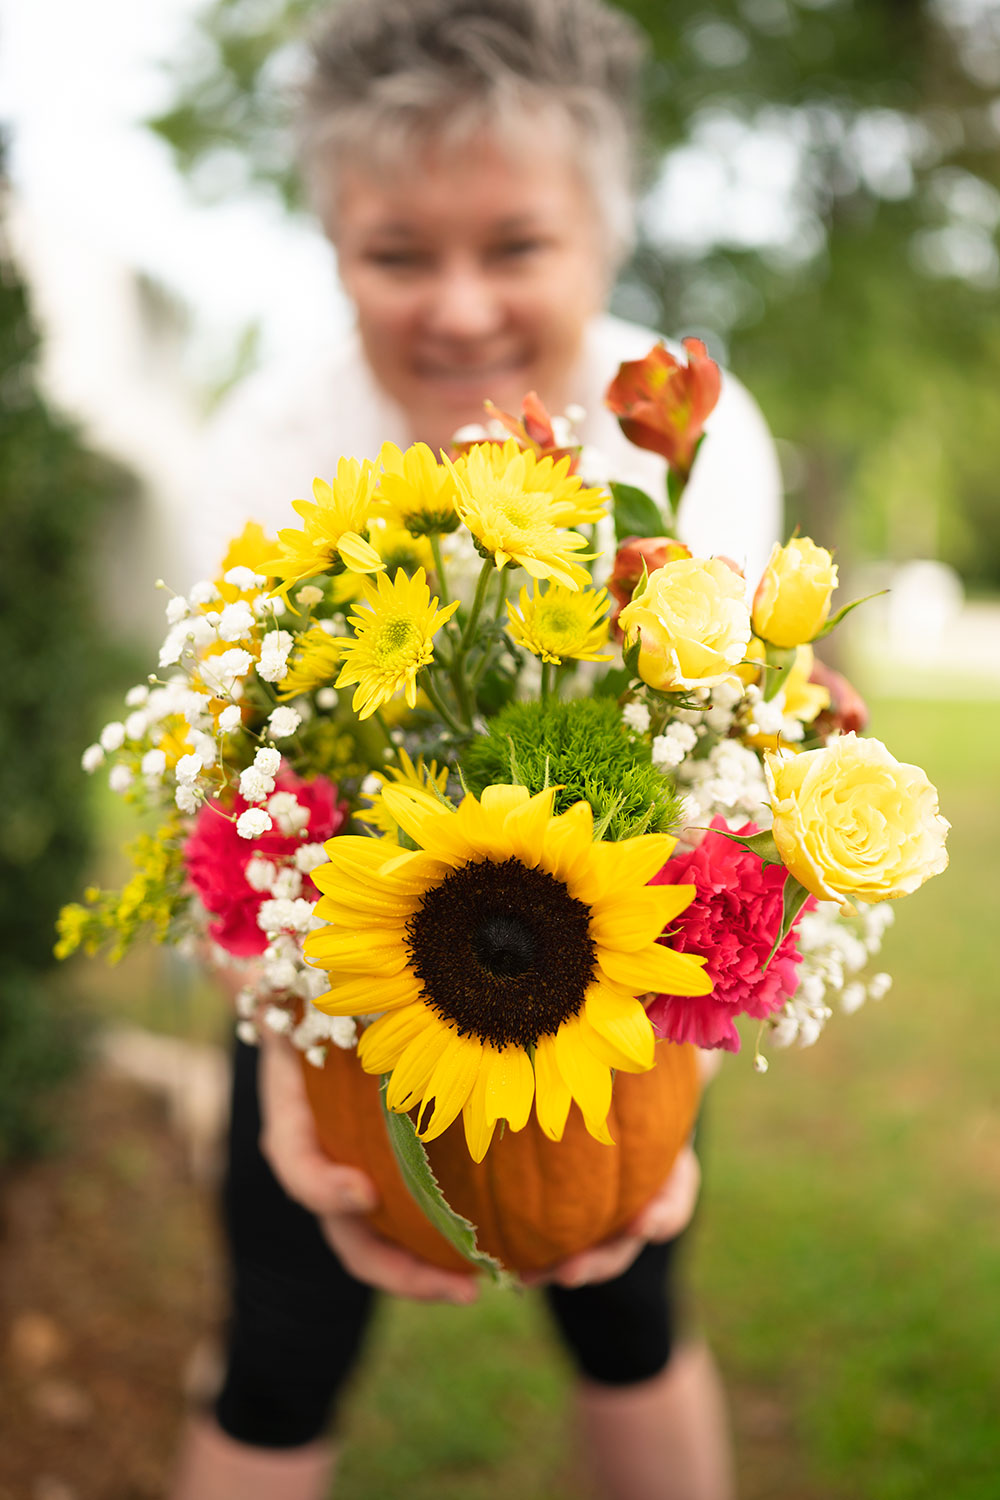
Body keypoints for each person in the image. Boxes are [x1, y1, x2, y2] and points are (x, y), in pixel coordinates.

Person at [171, 3, 782, 1497]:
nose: (456, 309)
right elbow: (223, 819)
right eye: (397, 254)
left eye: (514, 248)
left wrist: (672, 1097)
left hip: (605, 985)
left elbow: (723, 778)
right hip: (327, 993)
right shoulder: (265, 453)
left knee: (634, 1319)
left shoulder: (677, 432)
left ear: (603, 234)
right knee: (276, 1358)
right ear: (331, 248)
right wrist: (279, 1042)